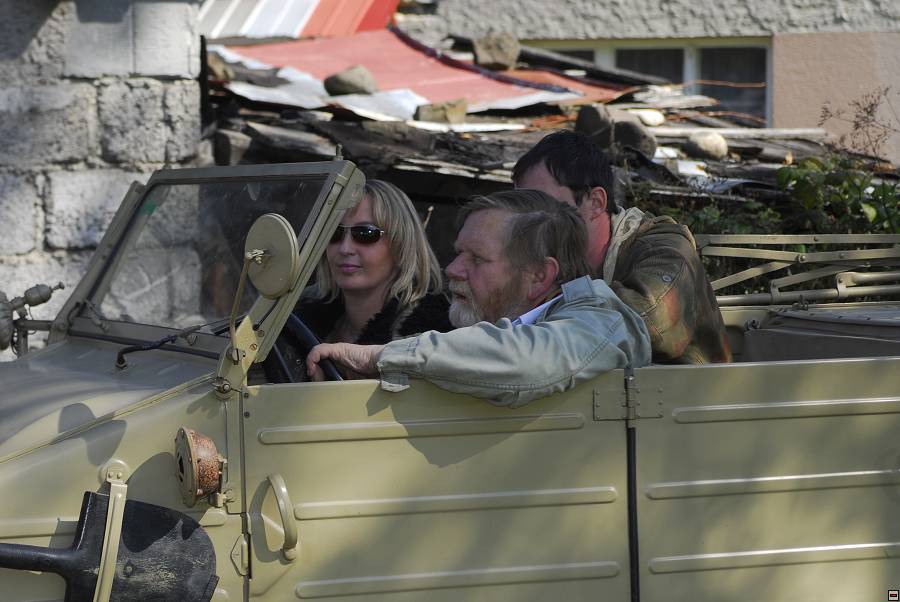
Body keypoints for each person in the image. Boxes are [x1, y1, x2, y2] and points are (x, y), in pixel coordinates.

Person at [306, 189, 652, 408]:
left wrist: (382, 356)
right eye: (459, 253)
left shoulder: (601, 320)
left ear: (538, 276)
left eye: (477, 259)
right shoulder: (477, 331)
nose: (452, 269)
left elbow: (527, 360)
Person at [512, 130, 732, 364]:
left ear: (595, 203)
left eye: (542, 207)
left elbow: (645, 317)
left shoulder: (666, 250)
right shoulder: (544, 255)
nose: (529, 224)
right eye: (523, 211)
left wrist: (536, 317)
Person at [294, 179, 452, 350]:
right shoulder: (296, 319)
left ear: (402, 243)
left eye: (366, 233)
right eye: (334, 232)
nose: (345, 249)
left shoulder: (431, 339)